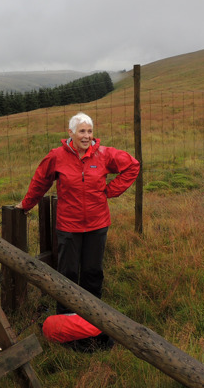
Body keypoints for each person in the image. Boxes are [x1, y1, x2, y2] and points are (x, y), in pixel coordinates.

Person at [16, 112, 139, 314]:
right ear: (71, 132)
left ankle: (94, 314)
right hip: (69, 226)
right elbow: (40, 181)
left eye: (90, 131)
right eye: (82, 131)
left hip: (97, 224)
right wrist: (27, 204)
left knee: (93, 271)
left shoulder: (104, 154)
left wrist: (110, 190)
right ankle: (66, 315)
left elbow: (132, 166)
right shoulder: (56, 156)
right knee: (68, 273)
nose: (86, 136)